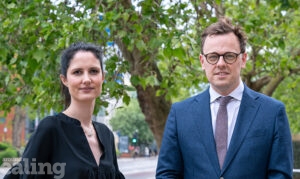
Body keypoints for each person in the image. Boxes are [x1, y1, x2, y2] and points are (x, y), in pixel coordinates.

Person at [156, 17, 293, 178]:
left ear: (243, 59)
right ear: (202, 61)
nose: (220, 63)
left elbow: (280, 175)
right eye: (213, 56)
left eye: (229, 56)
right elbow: (167, 174)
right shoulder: (180, 114)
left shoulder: (272, 112)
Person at [4, 42, 125, 179]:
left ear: (102, 77)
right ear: (65, 80)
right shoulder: (51, 128)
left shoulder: (106, 135)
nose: (86, 79)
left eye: (93, 71)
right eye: (77, 72)